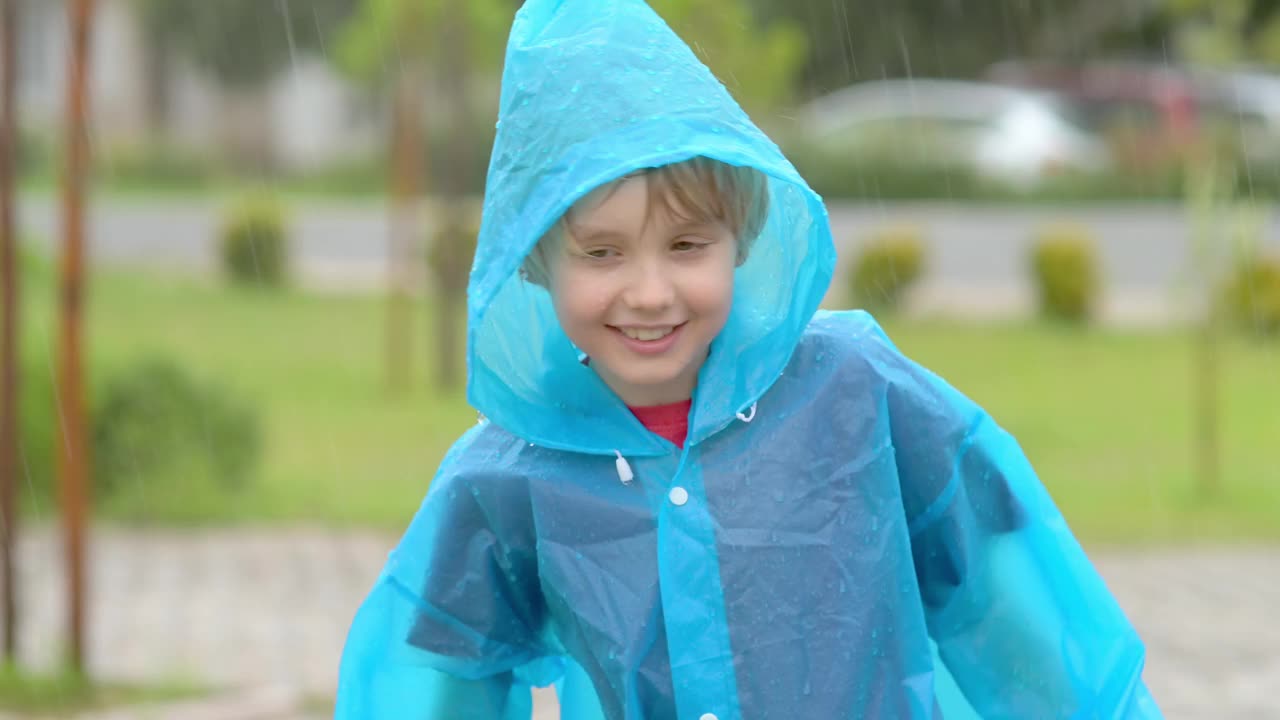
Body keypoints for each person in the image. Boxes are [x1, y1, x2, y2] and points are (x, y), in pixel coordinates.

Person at [335, 0, 1164, 718]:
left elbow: (1011, 601)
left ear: (742, 238)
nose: (650, 292)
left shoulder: (859, 395)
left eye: (687, 243)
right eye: (603, 253)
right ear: (532, 259)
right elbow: (431, 678)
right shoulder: (506, 483)